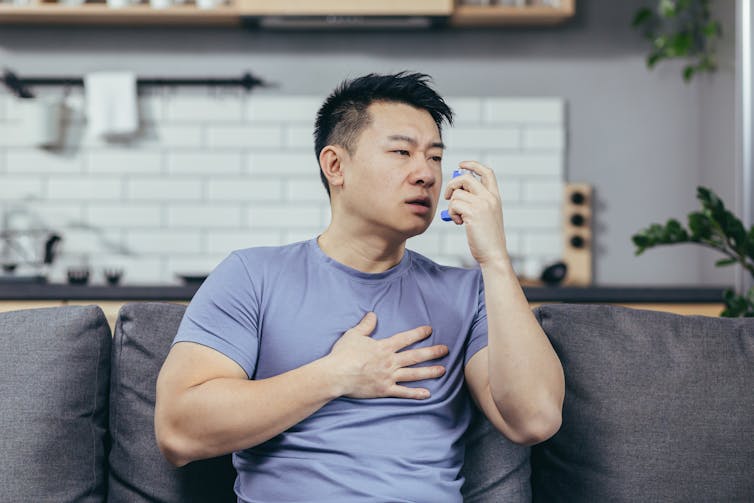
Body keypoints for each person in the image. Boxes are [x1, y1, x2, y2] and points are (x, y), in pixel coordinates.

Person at [155, 71, 565, 502]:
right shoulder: (251, 275)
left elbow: (534, 420)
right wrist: (335, 376)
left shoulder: (469, 292)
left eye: (435, 158)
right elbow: (178, 432)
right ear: (335, 165)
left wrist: (495, 259)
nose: (425, 174)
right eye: (402, 152)